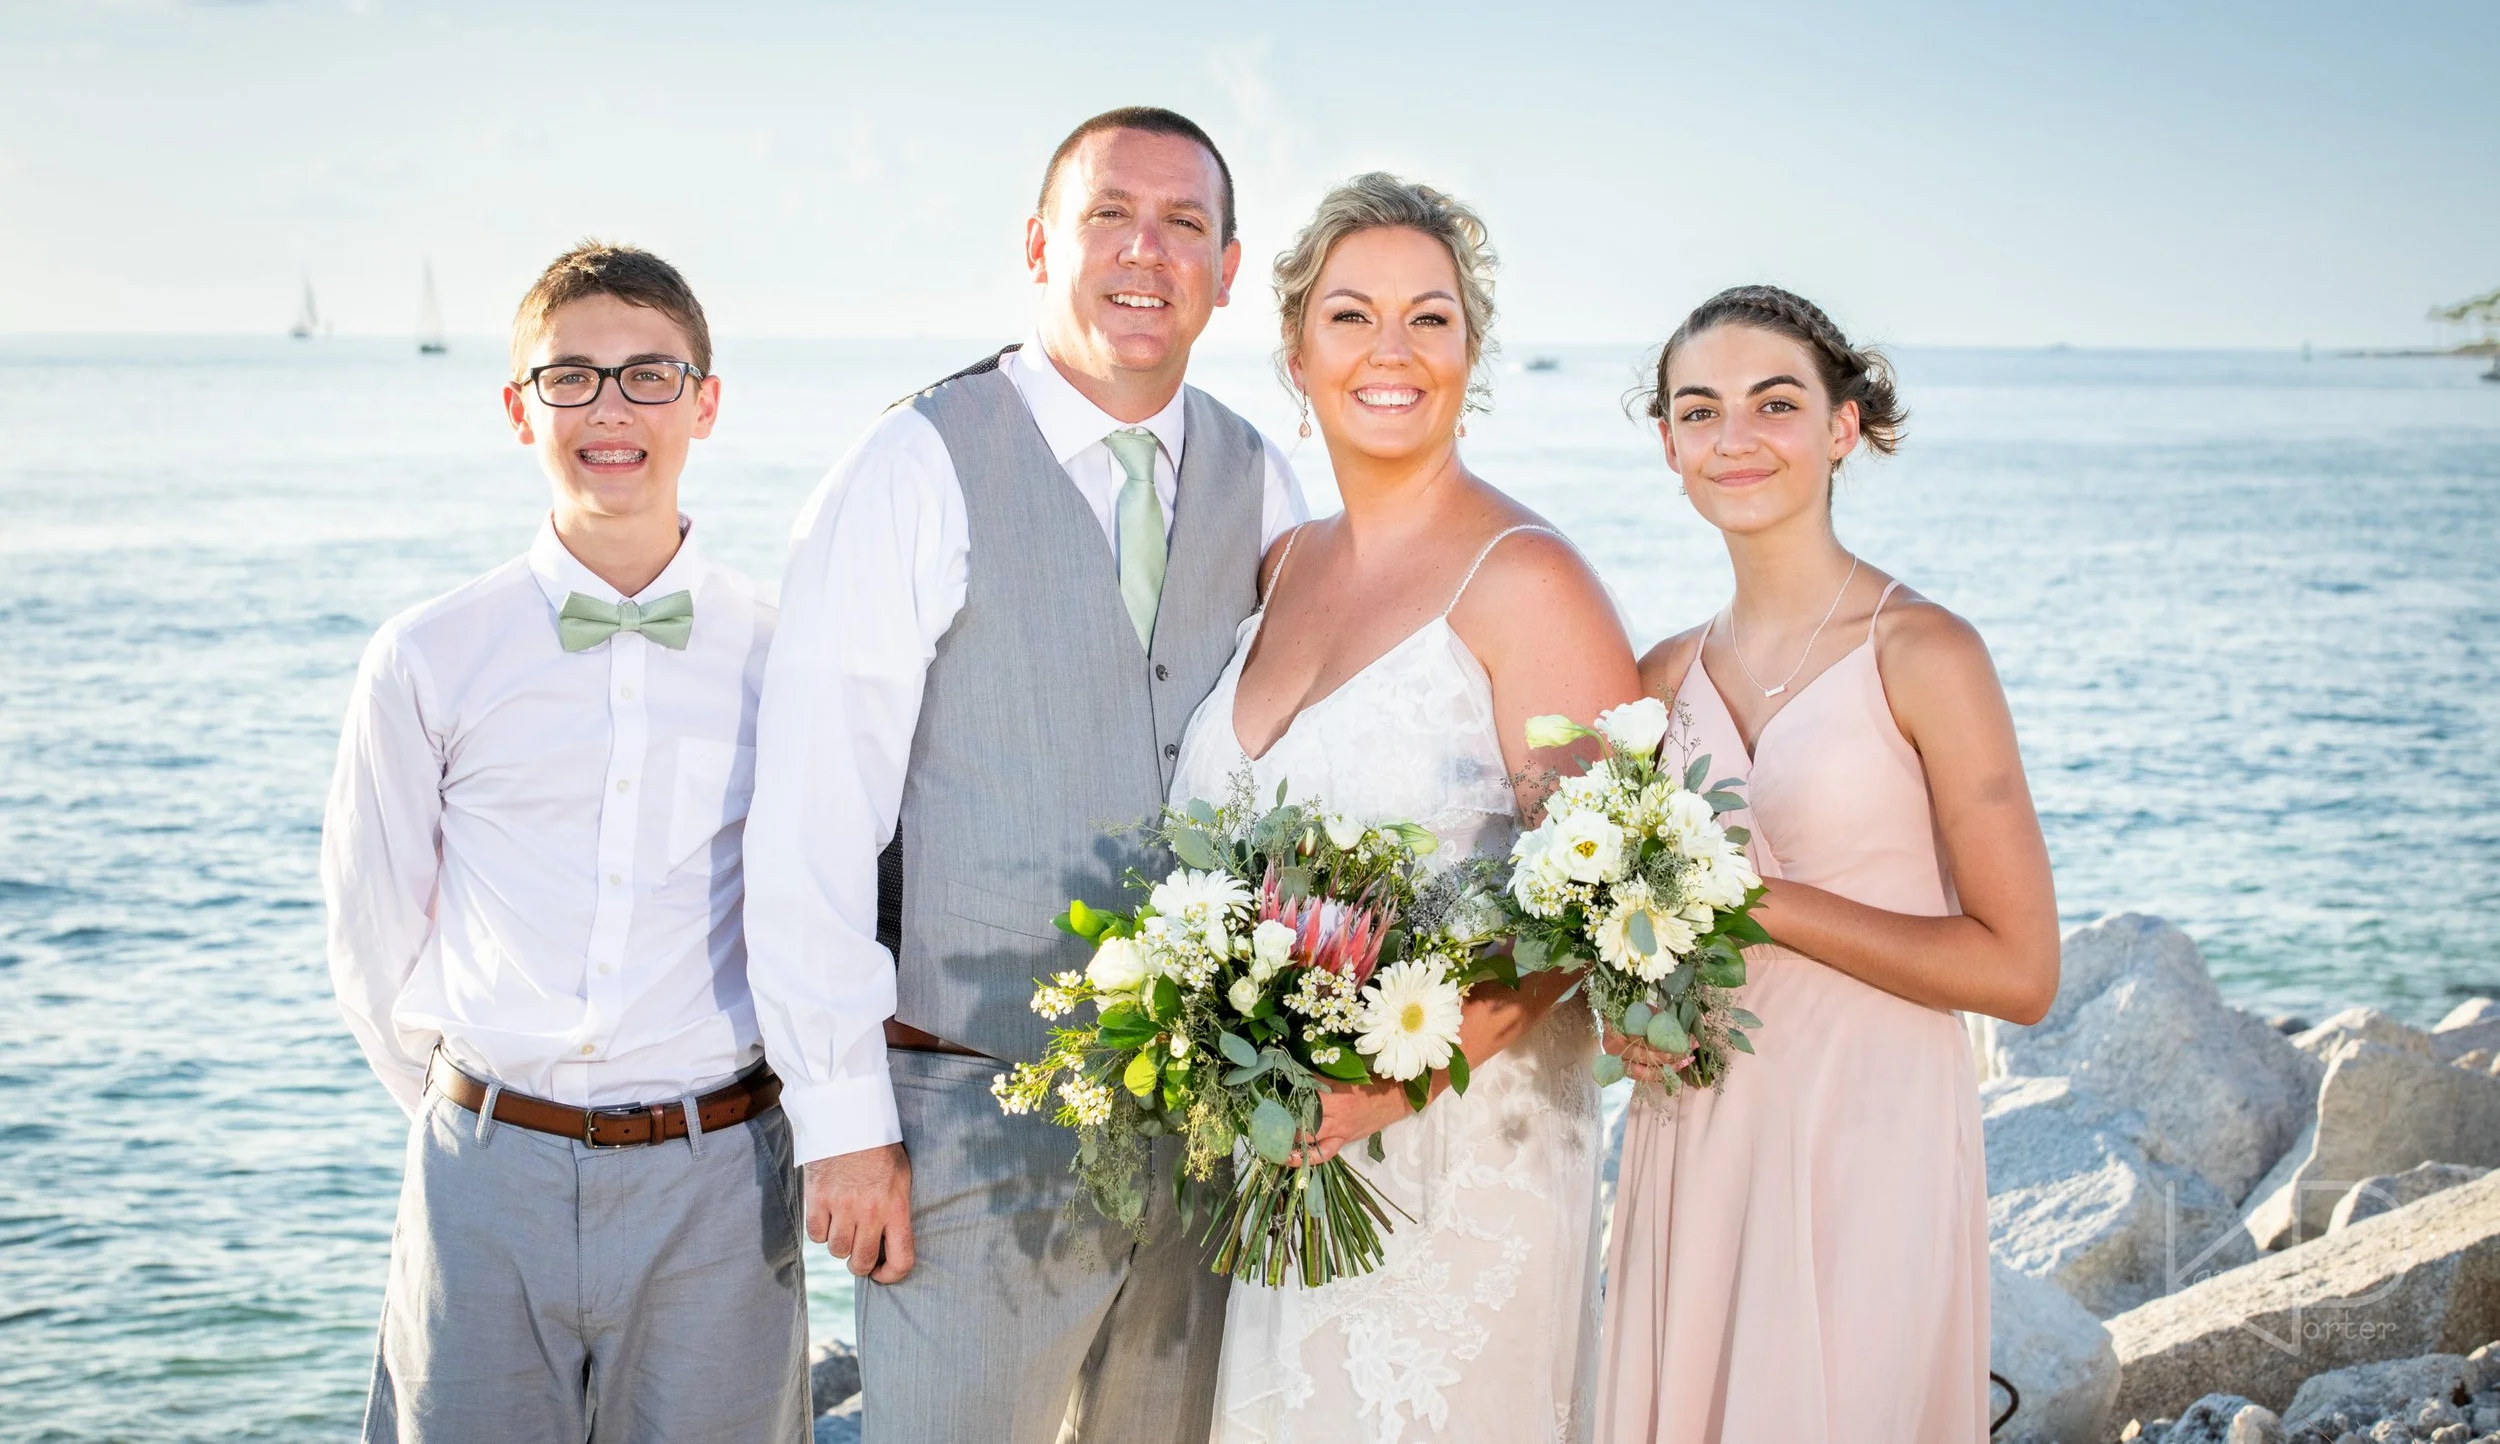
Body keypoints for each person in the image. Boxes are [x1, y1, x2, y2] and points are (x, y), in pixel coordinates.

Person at [743, 106, 1306, 1444]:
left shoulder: (1263, 474)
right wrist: (839, 1121)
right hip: (968, 1121)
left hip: (1204, 1130)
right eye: (1110, 213)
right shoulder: (915, 463)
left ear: (1227, 270)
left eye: (1184, 224)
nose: (1143, 250)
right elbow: (813, 813)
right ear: (1041, 241)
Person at [1169, 173, 1641, 1443]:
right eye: (1351, 315)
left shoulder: (1527, 580)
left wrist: (1388, 1084)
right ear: (1295, 350)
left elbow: (1594, 905)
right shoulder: (1281, 565)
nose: (1391, 351)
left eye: (1429, 318)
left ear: (1470, 352)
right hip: (1273, 1164)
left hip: (1456, 1161)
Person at [321, 243, 804, 1443]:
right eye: (570, 376)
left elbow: (832, 903)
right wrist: (490, 1124)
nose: (609, 409)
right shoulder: (429, 654)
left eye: (648, 375)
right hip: (485, 1171)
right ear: (517, 406)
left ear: (705, 401)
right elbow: (372, 939)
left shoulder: (783, 651)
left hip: (720, 1176)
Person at [1595, 286, 2061, 1444]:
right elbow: (1631, 929)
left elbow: (2020, 971)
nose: (1734, 437)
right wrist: (1627, 1004)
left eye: (1775, 402)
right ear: (1667, 443)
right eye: (1698, 411)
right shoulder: (1653, 679)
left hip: (1874, 1127)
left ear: (1842, 427)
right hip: (1695, 1129)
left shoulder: (1926, 651)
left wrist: (1769, 904)